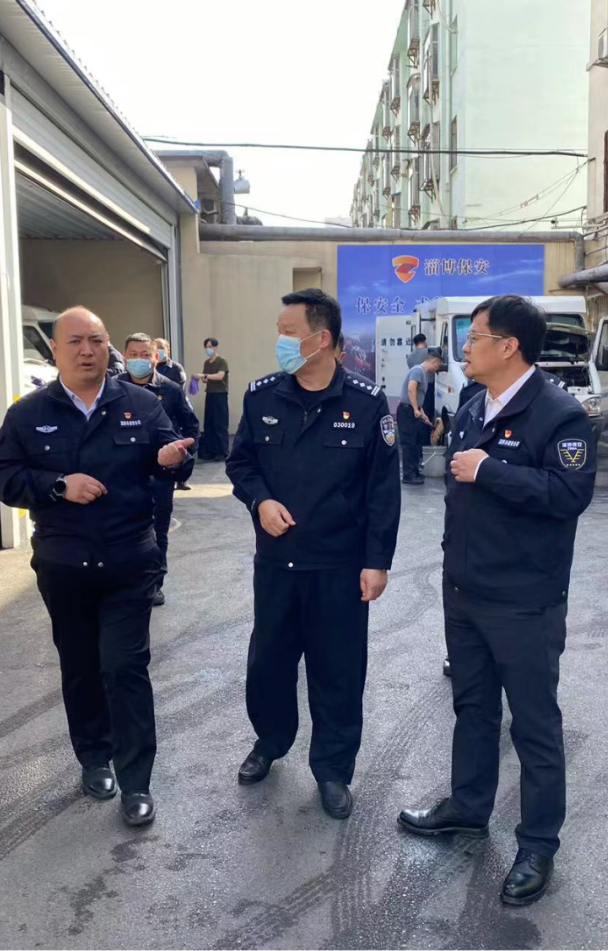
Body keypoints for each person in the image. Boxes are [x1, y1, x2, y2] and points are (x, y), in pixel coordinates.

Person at [397, 295, 597, 906]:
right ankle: (468, 807)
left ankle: (537, 844)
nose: (464, 347)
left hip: (524, 600)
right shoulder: (472, 405)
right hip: (465, 592)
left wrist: (490, 471)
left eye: (475, 337)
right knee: (473, 708)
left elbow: (569, 495)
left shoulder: (560, 415)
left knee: (534, 725)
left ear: (508, 346)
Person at [0, 307, 194, 828]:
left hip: (129, 561)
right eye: (75, 341)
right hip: (64, 564)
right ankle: (94, 759)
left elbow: (174, 457)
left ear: (109, 349)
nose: (87, 351)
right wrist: (58, 486)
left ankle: (137, 781)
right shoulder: (28, 413)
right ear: (55, 351)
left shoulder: (141, 404)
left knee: (124, 667)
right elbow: (2, 475)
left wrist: (173, 461)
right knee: (80, 666)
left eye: (96, 341)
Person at [227, 288, 401, 820]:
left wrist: (377, 562)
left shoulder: (368, 404)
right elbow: (241, 464)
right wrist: (260, 501)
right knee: (269, 664)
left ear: (321, 339)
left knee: (338, 672)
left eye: (289, 332)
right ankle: (270, 742)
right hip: (277, 564)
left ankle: (332, 770)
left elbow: (382, 492)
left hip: (339, 568)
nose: (279, 341)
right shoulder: (261, 398)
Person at [120, 333, 199, 606]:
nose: (139, 360)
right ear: (124, 356)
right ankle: (126, 583)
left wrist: (181, 458)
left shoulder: (171, 389)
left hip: (160, 476)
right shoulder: (113, 388)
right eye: (133, 354)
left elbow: (191, 426)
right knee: (122, 531)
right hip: (123, 476)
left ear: (155, 357)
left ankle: (154, 584)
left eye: (145, 355)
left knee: (157, 533)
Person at [397, 348, 443, 485]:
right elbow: (411, 389)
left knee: (416, 443)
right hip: (407, 411)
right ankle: (408, 475)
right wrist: (415, 409)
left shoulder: (422, 373)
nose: (437, 369)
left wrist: (423, 415)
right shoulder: (418, 370)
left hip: (412, 409)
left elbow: (418, 397)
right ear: (434, 362)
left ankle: (414, 471)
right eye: (438, 365)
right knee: (409, 443)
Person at [154, 338, 192, 490]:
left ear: (167, 350)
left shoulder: (175, 368)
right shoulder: (153, 366)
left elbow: (178, 389)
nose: (158, 351)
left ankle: (181, 479)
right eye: (155, 347)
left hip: (172, 414)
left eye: (161, 348)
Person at [194, 338, 229, 461]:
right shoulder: (207, 363)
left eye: (210, 346)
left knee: (220, 424)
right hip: (210, 394)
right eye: (206, 347)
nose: (208, 349)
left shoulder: (221, 361)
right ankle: (212, 451)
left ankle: (223, 451)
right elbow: (206, 379)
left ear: (215, 347)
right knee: (209, 424)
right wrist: (199, 378)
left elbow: (220, 376)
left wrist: (204, 375)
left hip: (220, 395)